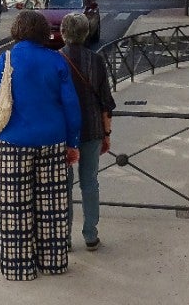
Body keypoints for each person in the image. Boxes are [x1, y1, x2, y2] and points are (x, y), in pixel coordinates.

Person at [0, 10, 81, 281]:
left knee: (16, 207)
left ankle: (19, 268)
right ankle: (53, 263)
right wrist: (73, 142)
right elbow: (71, 105)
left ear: (17, 30)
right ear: (43, 32)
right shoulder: (56, 60)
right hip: (53, 141)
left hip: (14, 142)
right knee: (52, 207)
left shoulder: (6, 60)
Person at [59, 13, 116, 251]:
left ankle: (64, 238)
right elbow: (105, 102)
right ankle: (90, 235)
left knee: (63, 186)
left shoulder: (57, 60)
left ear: (63, 32)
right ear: (85, 33)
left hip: (63, 134)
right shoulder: (96, 60)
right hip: (92, 130)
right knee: (90, 182)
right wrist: (107, 133)